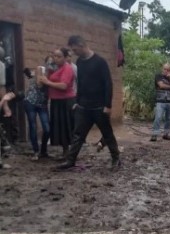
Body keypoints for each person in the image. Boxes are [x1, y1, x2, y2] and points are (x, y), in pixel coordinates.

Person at [55, 35, 120, 171]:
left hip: (99, 107)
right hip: (83, 107)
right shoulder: (79, 62)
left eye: (74, 49)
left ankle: (116, 159)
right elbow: (81, 84)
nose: (73, 53)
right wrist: (77, 102)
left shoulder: (100, 62)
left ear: (81, 45)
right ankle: (70, 161)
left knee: (107, 134)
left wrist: (108, 105)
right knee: (78, 135)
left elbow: (108, 84)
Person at [39, 48, 75, 158]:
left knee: (66, 126)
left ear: (64, 57)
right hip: (56, 101)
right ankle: (65, 151)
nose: (56, 58)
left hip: (65, 101)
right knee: (59, 126)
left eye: (59, 56)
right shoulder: (54, 68)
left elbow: (64, 85)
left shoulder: (67, 68)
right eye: (54, 56)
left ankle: (69, 152)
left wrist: (47, 82)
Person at [23, 67, 50, 160]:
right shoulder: (34, 77)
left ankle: (43, 150)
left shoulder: (50, 79)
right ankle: (36, 151)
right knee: (33, 126)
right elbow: (38, 83)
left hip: (42, 105)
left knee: (47, 128)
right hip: (30, 103)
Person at [150, 63, 170, 142]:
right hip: (160, 100)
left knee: (168, 118)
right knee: (158, 117)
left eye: (168, 70)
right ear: (162, 69)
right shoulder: (158, 76)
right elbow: (161, 85)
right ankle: (154, 134)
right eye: (165, 69)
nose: (166, 71)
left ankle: (166, 134)